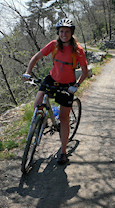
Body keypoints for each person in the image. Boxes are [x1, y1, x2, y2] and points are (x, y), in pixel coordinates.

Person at [23, 18, 88, 165]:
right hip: (51, 79)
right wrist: (28, 72)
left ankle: (63, 152)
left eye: (67, 31)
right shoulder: (54, 45)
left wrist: (76, 85)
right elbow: (36, 57)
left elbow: (84, 71)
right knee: (37, 103)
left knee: (64, 119)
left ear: (71, 33)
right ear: (58, 32)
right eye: (61, 31)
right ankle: (42, 122)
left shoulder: (78, 50)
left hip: (67, 85)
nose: (64, 34)